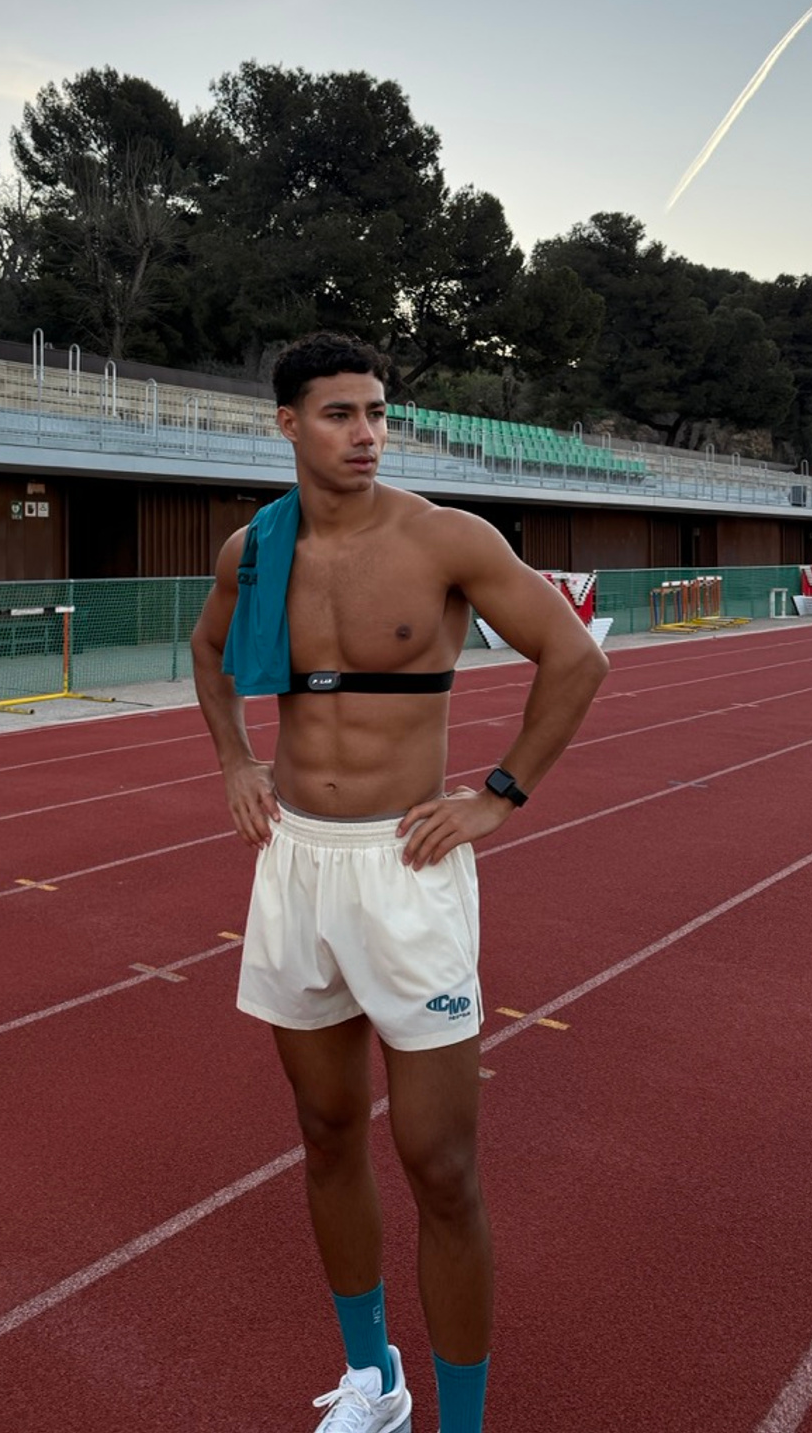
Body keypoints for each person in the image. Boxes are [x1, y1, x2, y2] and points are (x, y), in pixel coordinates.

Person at [190, 331, 609, 1433]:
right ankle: (374, 1383)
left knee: (441, 1165)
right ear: (288, 424)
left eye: (377, 412)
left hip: (406, 867)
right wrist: (235, 761)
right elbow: (207, 651)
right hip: (296, 864)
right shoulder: (255, 550)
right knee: (327, 1131)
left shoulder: (445, 538)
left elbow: (577, 658)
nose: (367, 433)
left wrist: (499, 795)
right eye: (340, 414)